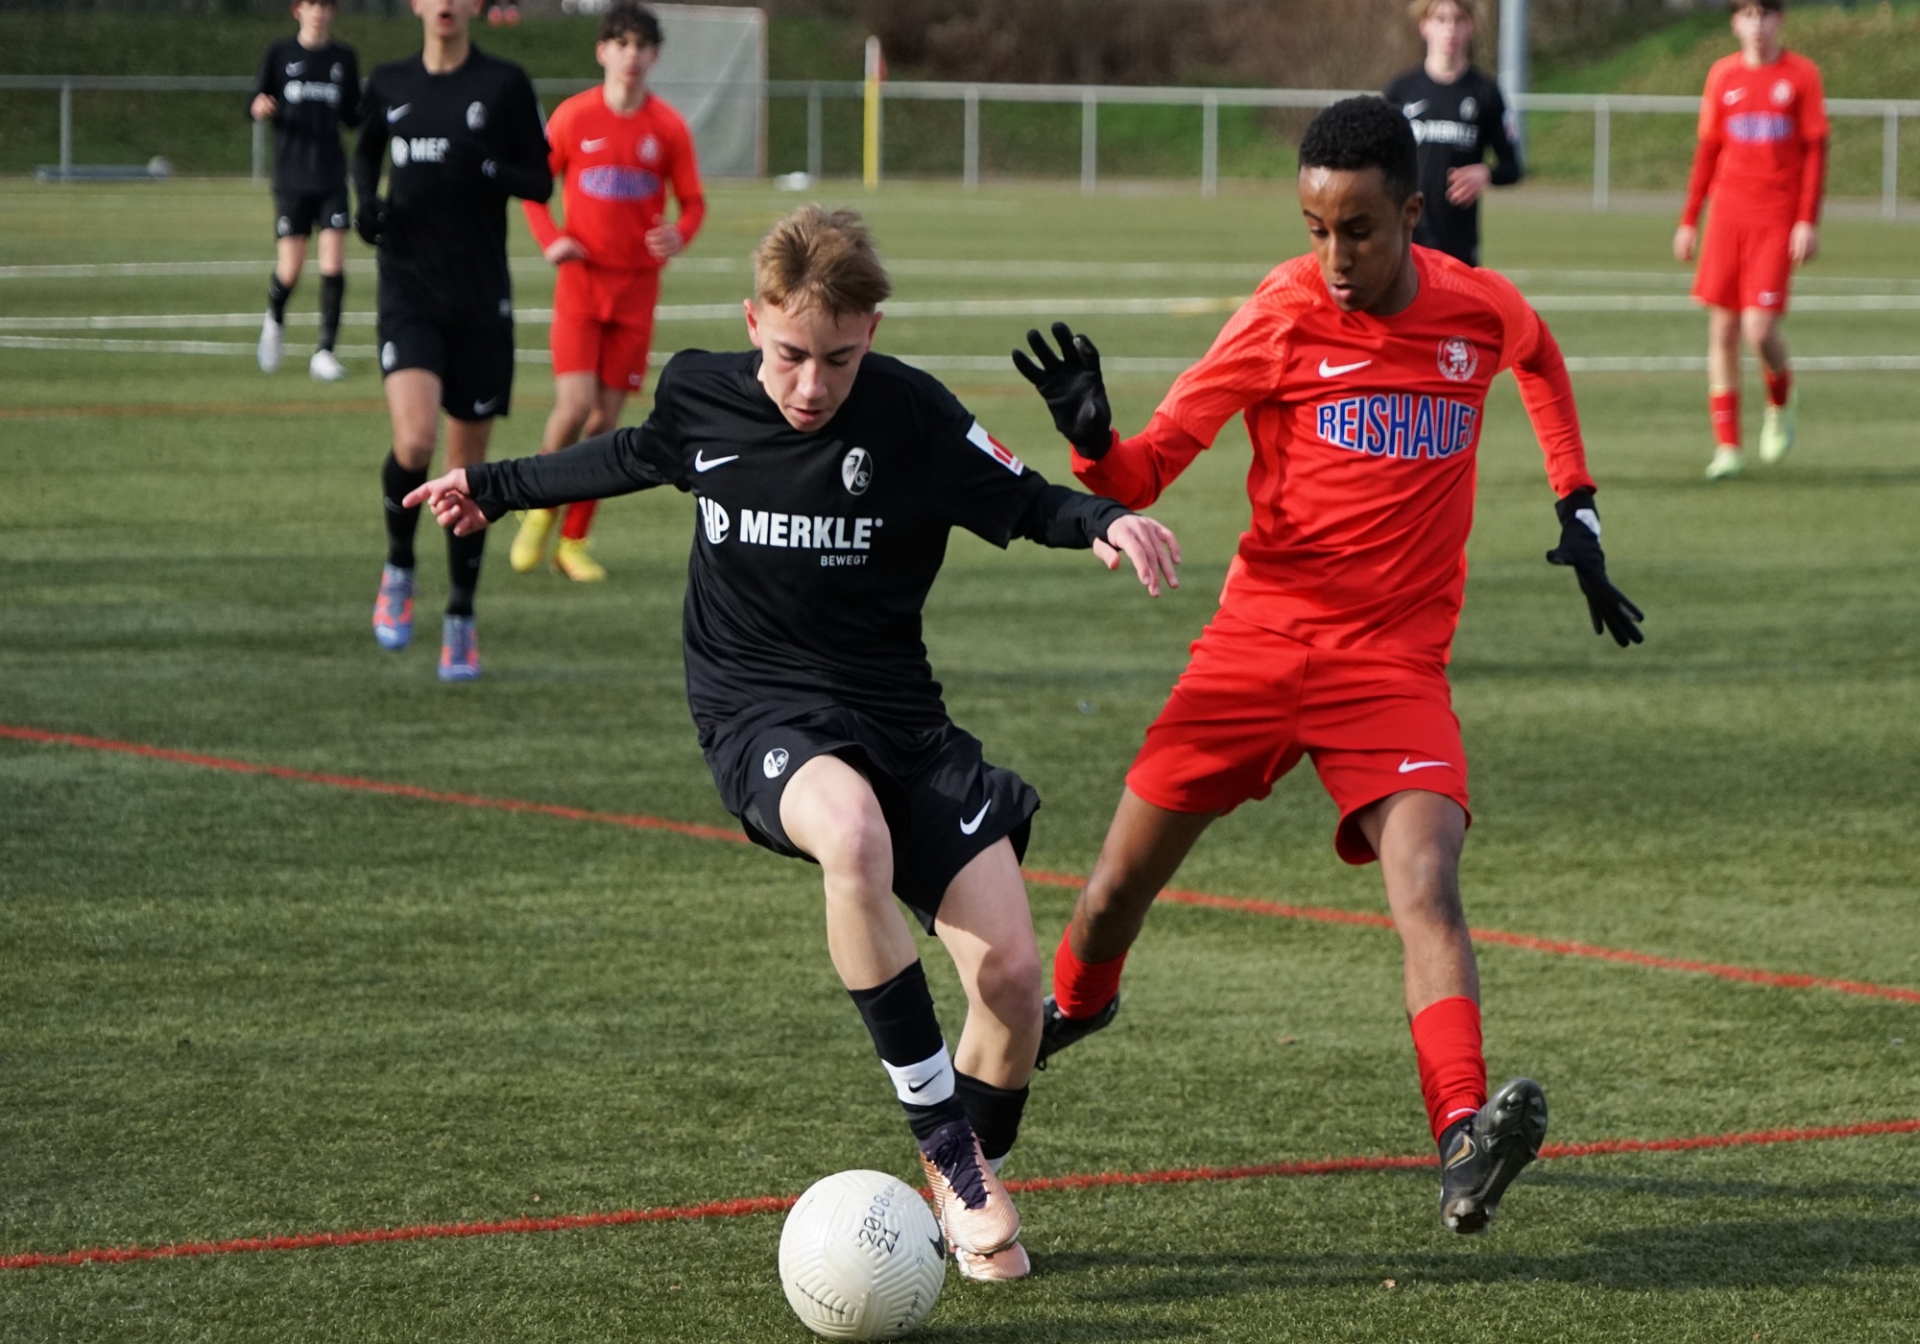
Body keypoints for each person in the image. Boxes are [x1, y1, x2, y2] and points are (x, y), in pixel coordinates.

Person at [404, 206, 1183, 1279]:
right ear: (753, 321)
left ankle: (962, 1196)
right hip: (760, 709)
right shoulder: (703, 393)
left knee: (1008, 978)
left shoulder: (912, 414)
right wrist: (490, 488)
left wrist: (1101, 522)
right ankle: (949, 1150)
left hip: (901, 718)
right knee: (851, 841)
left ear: (872, 333)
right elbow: (635, 453)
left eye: (838, 359)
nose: (811, 385)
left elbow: (1020, 498)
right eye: (789, 356)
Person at [1016, 96, 1644, 1236]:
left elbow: (1541, 357)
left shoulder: (1475, 309)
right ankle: (1074, 1003)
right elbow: (1141, 478)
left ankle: (1461, 1138)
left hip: (1394, 668)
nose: (1334, 256)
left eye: (1357, 228)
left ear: (1412, 214)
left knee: (1429, 888)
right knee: (1110, 894)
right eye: (1315, 228)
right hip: (1256, 645)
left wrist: (1579, 506)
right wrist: (1093, 439)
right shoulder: (1279, 316)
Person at [352, 0, 553, 681]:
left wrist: (490, 170)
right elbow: (365, 150)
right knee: (414, 444)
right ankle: (400, 565)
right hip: (408, 291)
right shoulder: (389, 82)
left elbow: (540, 178)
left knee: (467, 475)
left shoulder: (504, 84)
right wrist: (366, 208)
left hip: (479, 300)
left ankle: (461, 616)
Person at [510, 1, 705, 583]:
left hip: (636, 294)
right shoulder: (573, 118)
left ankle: (574, 540)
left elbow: (693, 202)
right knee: (571, 409)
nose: (632, 56)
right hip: (581, 287)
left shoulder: (667, 128)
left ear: (655, 56)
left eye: (643, 46)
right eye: (621, 44)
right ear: (602, 51)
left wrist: (679, 233)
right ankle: (539, 510)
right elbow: (532, 186)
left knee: (606, 424)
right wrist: (550, 239)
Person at [1673, 0, 1826, 481]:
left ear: (1780, 21)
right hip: (1727, 216)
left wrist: (1806, 220)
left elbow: (1816, 152)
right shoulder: (1722, 76)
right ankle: (1728, 447)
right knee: (1721, 330)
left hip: (1775, 219)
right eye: (1748, 15)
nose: (1757, 25)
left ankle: (1781, 399)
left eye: (1766, 14)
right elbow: (1708, 150)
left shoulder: (1801, 76)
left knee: (1759, 330)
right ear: (1735, 22)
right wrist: (1689, 219)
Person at [250, 0, 361, 381]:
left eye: (326, 5)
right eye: (312, 4)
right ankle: (274, 319)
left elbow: (352, 115)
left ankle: (325, 353)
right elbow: (257, 99)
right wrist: (259, 106)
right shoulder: (280, 53)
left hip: (331, 175)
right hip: (292, 176)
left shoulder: (343, 58)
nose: (319, 12)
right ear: (298, 10)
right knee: (291, 269)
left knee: (333, 263)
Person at [1382, 0, 1521, 267]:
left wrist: (1486, 173)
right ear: (1424, 26)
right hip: (1405, 243)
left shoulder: (1486, 93)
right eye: (1441, 19)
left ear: (1470, 26)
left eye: (1458, 19)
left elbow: (1513, 167)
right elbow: (1377, 162)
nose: (1450, 29)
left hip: (1458, 248)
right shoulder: (1400, 92)